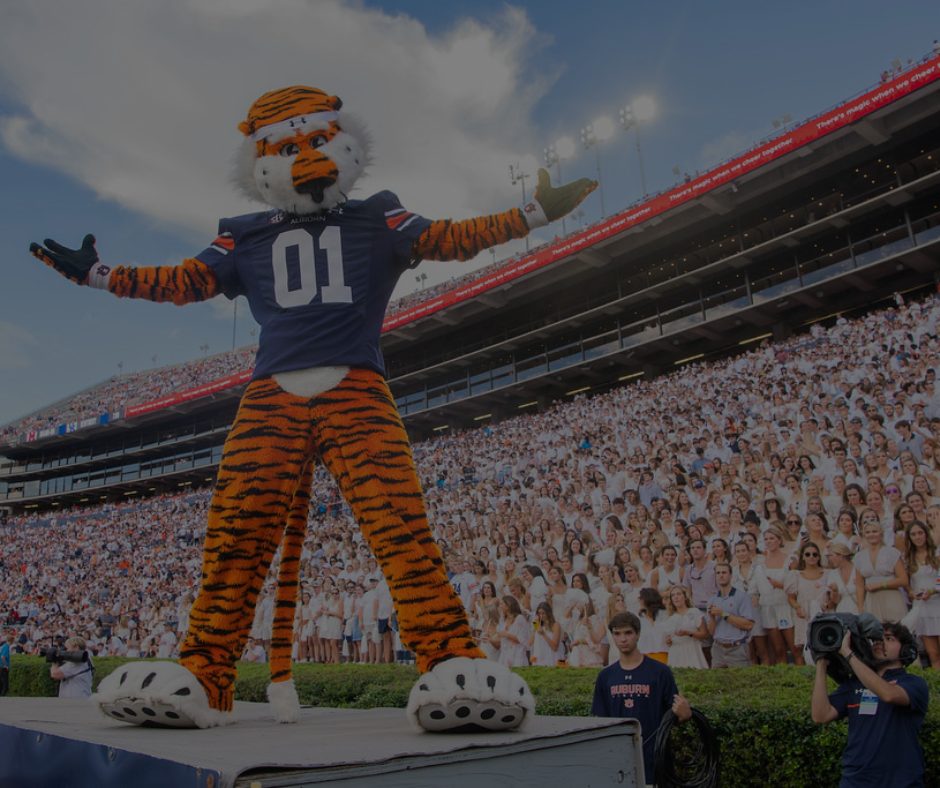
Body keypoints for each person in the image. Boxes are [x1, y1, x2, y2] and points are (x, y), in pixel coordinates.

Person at [811, 622, 928, 787]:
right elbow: (820, 715)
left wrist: (848, 653)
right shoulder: (855, 683)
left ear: (905, 650)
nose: (880, 643)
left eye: (889, 638)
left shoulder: (914, 683)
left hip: (901, 781)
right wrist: (821, 665)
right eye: (876, 639)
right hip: (856, 780)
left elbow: (888, 695)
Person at [592, 612, 692, 787]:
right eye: (617, 634)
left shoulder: (660, 672)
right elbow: (601, 722)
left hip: (655, 763)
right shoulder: (606, 676)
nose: (623, 639)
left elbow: (675, 716)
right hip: (619, 764)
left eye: (628, 633)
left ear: (637, 634)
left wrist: (685, 714)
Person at [706, 561, 756, 667]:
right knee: (716, 682)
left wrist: (724, 614)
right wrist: (712, 618)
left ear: (731, 575)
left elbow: (749, 625)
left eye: (724, 572)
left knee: (740, 683)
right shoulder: (712, 600)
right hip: (718, 648)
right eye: (718, 573)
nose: (721, 575)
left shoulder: (742, 596)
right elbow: (711, 631)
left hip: (737, 648)